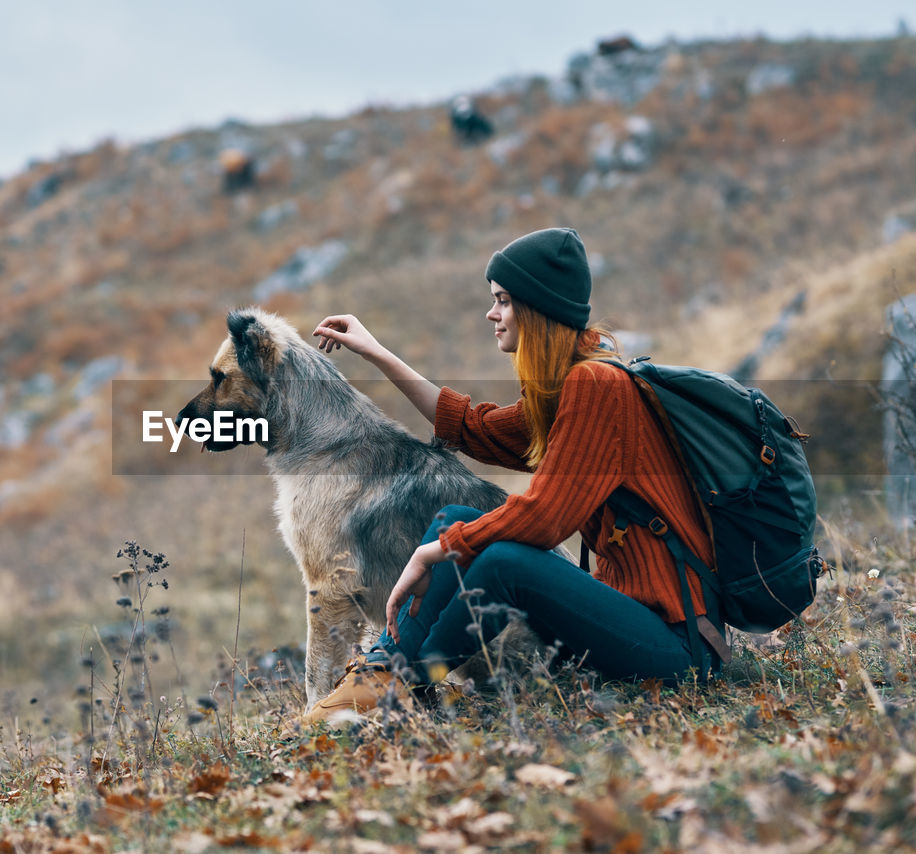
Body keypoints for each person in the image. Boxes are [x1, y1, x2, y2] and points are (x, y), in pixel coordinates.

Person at [302, 227, 721, 725]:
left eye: (502, 300)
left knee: (501, 559)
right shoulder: (569, 389)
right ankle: (384, 677)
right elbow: (472, 429)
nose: (491, 313)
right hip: (627, 622)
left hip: (677, 649)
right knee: (457, 517)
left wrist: (435, 549)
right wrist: (377, 352)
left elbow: (545, 518)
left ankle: (398, 682)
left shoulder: (598, 386)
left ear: (537, 307)